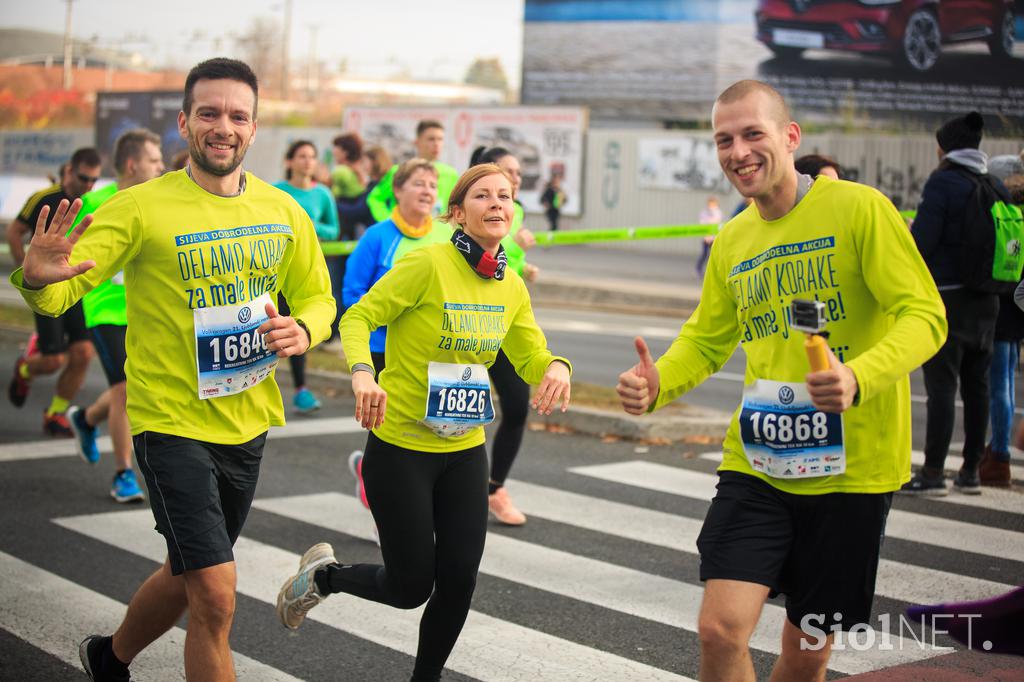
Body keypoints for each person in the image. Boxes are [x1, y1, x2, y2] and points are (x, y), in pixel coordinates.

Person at [11, 58, 334, 681]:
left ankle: (110, 657)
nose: (223, 126)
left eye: (238, 115)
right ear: (184, 123)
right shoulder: (139, 208)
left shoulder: (284, 210)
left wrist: (307, 328)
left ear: (254, 128)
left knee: (188, 570)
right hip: (167, 422)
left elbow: (320, 298)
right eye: (209, 113)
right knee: (215, 595)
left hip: (247, 421)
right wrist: (34, 277)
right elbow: (60, 292)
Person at [616, 80, 945, 681]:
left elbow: (925, 316)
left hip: (852, 472)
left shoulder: (860, 208)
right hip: (759, 462)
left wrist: (858, 376)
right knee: (720, 630)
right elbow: (707, 339)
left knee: (805, 651)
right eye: (724, 140)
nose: (737, 151)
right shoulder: (734, 239)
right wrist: (657, 380)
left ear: (790, 138)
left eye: (752, 134)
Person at [277, 163, 572, 682]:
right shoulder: (426, 265)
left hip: (462, 450)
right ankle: (326, 578)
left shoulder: (511, 286)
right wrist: (365, 374)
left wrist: (555, 367)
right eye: (483, 195)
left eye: (505, 195)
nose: (497, 203)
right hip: (400, 448)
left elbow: (530, 354)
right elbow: (358, 316)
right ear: (457, 213)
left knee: (459, 580)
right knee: (410, 587)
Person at [342, 157, 453, 538]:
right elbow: (354, 293)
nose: (427, 191)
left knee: (423, 433)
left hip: (431, 354)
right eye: (418, 183)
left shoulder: (445, 238)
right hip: (382, 349)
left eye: (432, 186)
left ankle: (417, 503)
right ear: (398, 190)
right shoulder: (377, 237)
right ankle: (383, 510)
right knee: (390, 436)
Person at [902, 112, 1007, 496]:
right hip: (988, 300)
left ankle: (932, 474)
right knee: (976, 388)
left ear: (944, 148)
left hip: (947, 299)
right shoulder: (993, 184)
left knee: (942, 387)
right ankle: (970, 473)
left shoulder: (943, 182)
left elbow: (923, 244)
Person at [66, 129, 165, 504]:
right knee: (125, 389)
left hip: (147, 310)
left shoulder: (157, 202)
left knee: (138, 386)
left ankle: (86, 419)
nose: (159, 167)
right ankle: (124, 472)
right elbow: (70, 254)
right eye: (154, 161)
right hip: (106, 308)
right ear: (131, 163)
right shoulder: (95, 202)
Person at [6, 147, 101, 436]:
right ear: (70, 170)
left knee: (84, 352)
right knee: (53, 361)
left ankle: (56, 413)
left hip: (74, 286)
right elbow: (13, 231)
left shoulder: (91, 203)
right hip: (45, 287)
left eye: (94, 180)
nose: (88, 185)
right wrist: (28, 271)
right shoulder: (43, 200)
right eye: (84, 178)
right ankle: (25, 370)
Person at [468, 145, 540, 525]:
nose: (513, 178)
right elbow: (482, 257)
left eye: (515, 174)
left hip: (503, 325)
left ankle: (494, 488)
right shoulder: (467, 210)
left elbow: (506, 264)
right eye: (504, 170)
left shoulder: (516, 211)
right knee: (456, 411)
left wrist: (525, 268)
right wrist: (515, 247)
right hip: (466, 324)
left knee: (515, 406)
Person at [273, 139, 340, 413]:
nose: (307, 161)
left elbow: (333, 229)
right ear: (289, 161)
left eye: (312, 156)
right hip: (276, 270)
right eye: (301, 156)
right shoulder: (276, 192)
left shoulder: (323, 194)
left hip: (307, 270)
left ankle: (301, 390)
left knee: (296, 326)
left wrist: (309, 226)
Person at [986, 172, 1024, 487]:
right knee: (1008, 384)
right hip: (1016, 320)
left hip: (1000, 313)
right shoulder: (1019, 225)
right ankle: (999, 450)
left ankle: (999, 454)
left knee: (998, 386)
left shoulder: (1004, 223)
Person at [366, 119, 458, 223]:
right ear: (417, 142)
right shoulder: (400, 171)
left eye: (440, 139)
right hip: (404, 234)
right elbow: (375, 199)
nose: (436, 144)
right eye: (431, 139)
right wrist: (390, 222)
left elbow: (455, 207)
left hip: (436, 235)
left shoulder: (451, 174)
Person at [695, 196, 723, 278]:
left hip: (714, 238)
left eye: (713, 204)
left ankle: (715, 271)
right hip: (706, 238)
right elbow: (702, 223)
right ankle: (699, 269)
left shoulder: (718, 212)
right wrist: (706, 236)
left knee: (714, 255)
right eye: (710, 204)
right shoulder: (704, 212)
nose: (711, 206)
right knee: (704, 254)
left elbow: (717, 222)